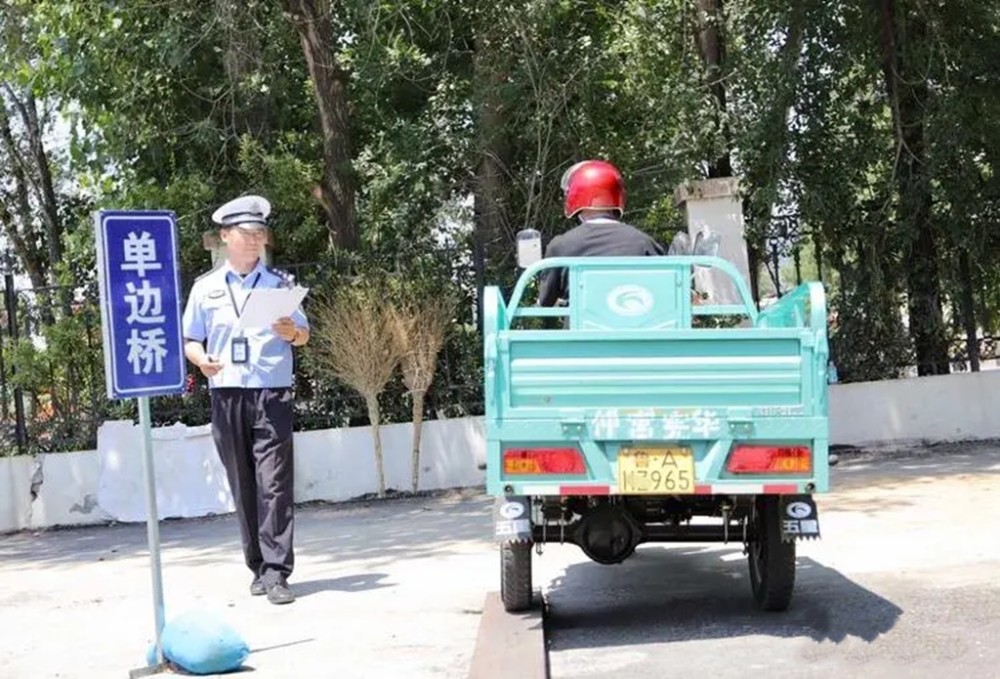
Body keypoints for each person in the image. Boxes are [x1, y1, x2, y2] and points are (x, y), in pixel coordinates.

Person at [181, 195, 310, 605]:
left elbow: (304, 336)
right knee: (242, 481)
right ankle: (256, 564)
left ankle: (277, 572)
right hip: (227, 392)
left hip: (271, 391)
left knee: (273, 482)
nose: (255, 241)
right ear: (225, 237)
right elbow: (190, 339)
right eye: (246, 234)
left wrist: (290, 330)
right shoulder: (205, 289)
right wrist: (201, 361)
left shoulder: (280, 285)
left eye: (259, 234)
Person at [537, 159, 665, 307]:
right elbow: (664, 294)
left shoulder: (561, 246)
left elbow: (545, 302)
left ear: (574, 196)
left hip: (582, 330)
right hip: (636, 328)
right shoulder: (644, 243)